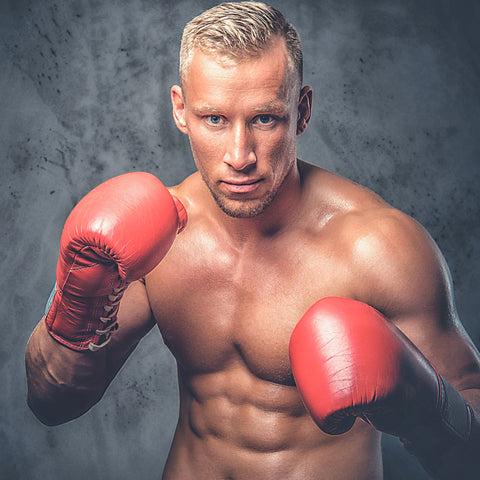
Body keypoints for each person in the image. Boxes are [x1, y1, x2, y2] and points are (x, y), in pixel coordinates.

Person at [25, 2, 480, 479]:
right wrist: (76, 303)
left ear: (301, 111)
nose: (239, 156)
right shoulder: (158, 236)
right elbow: (49, 402)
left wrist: (421, 407)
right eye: (214, 119)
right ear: (181, 110)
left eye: (264, 119)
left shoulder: (376, 247)